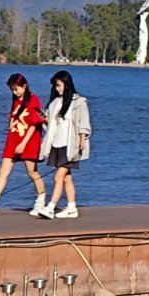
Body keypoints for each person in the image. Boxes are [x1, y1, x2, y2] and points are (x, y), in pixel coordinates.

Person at [0, 73, 47, 215]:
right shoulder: (16, 101)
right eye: (12, 89)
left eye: (16, 89)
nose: (14, 92)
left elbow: (34, 124)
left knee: (32, 172)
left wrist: (24, 143)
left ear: (24, 86)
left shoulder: (33, 99)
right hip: (13, 139)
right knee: (3, 172)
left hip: (29, 141)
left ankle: (41, 201)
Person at [33, 70, 91, 219]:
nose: (57, 88)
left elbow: (83, 123)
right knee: (66, 178)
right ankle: (72, 208)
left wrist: (82, 140)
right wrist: (44, 119)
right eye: (55, 86)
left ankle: (50, 207)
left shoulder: (78, 102)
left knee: (58, 177)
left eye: (59, 85)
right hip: (57, 144)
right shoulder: (55, 103)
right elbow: (52, 124)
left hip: (70, 145)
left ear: (66, 84)